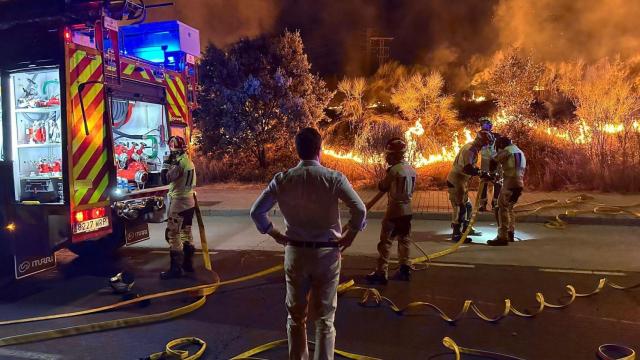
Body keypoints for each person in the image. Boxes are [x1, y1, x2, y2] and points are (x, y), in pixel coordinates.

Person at [250, 127, 366, 360]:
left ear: (297, 150)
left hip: (295, 253)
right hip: (327, 254)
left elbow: (256, 212)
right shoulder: (333, 178)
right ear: (319, 150)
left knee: (296, 317)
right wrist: (350, 235)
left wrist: (275, 234)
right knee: (325, 318)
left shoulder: (282, 180)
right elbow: (359, 210)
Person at [366, 138, 417, 284]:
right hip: (408, 210)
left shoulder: (394, 170)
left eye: (389, 154)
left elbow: (383, 186)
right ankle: (404, 270)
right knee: (404, 240)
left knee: (385, 242)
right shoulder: (411, 170)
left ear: (394, 155)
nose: (387, 157)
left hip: (394, 210)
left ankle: (381, 273)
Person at [446, 129, 494, 243]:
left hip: (462, 180)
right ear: (480, 141)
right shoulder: (470, 150)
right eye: (485, 143)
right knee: (459, 207)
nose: (485, 146)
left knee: (467, 205)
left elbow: (470, 165)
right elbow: (467, 168)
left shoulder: (473, 148)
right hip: (457, 180)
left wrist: (481, 171)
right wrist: (480, 173)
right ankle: (456, 234)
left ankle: (467, 229)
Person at [160, 135, 197, 279]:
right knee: (186, 233)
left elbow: (165, 179)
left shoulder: (179, 164)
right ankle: (188, 264)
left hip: (179, 203)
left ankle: (175, 270)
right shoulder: (188, 161)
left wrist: (165, 165)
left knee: (172, 234)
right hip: (189, 202)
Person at [487, 136, 526, 246]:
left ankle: (502, 237)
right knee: (509, 208)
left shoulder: (507, 151)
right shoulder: (519, 151)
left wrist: (491, 173)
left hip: (510, 183)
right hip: (519, 184)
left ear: (501, 145)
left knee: (501, 208)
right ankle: (510, 233)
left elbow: (493, 160)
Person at [478, 118, 502, 213]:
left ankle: (495, 204)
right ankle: (484, 204)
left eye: (486, 124)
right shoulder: (481, 135)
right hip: (487, 162)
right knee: (485, 183)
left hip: (495, 161)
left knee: (496, 183)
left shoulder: (496, 136)